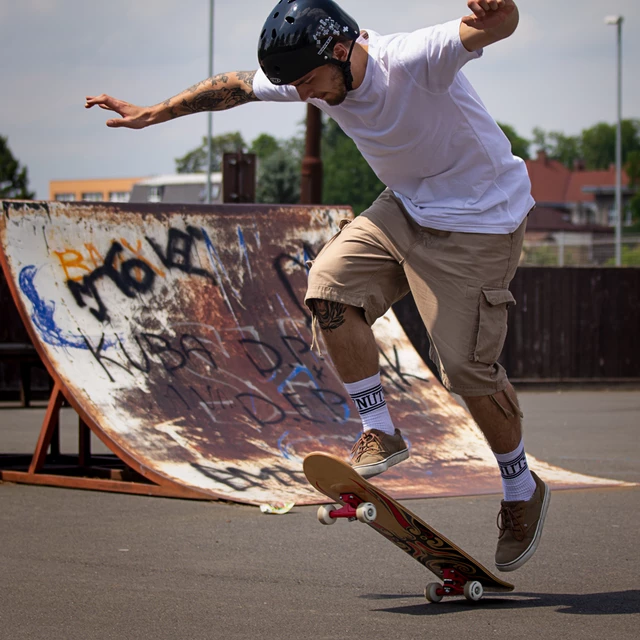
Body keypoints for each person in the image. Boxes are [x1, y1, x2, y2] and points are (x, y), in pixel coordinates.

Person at [86, 0, 550, 572]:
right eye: (295, 86)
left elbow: (492, 27)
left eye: (309, 83)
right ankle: (380, 430)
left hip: (481, 219)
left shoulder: (411, 59)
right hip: (406, 208)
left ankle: (520, 486)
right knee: (328, 288)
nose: (305, 95)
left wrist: (500, 8)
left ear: (340, 50)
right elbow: (233, 86)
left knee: (464, 368)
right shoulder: (310, 74)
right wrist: (153, 113)